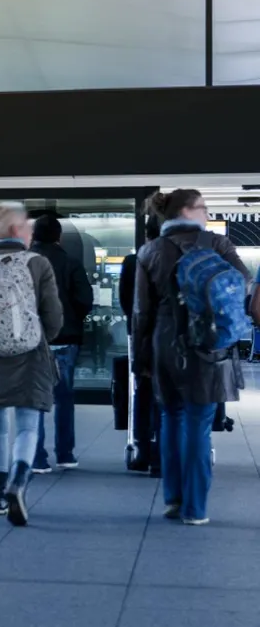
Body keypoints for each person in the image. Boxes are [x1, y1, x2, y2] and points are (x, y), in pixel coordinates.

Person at [133, 189, 247, 526]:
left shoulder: (150, 251)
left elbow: (141, 311)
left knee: (170, 418)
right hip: (208, 345)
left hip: (165, 343)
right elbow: (241, 281)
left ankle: (173, 500)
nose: (207, 213)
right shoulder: (217, 245)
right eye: (204, 207)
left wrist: (142, 358)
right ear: (187, 210)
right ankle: (195, 509)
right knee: (199, 423)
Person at [0, 203, 63, 526]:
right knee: (27, 425)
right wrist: (39, 336)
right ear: (16, 230)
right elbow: (53, 316)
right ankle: (18, 484)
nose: (31, 231)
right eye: (27, 225)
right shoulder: (37, 263)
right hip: (29, 354)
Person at [29, 213, 93, 473]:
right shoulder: (71, 263)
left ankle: (37, 457)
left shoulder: (26, 263)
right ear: (58, 236)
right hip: (65, 338)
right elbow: (84, 300)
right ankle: (65, 454)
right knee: (64, 397)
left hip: (32, 339)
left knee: (35, 398)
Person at [122, 214, 162, 476]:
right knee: (169, 399)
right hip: (174, 339)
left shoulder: (134, 261)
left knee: (143, 395)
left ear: (146, 235)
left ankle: (143, 452)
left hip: (143, 338)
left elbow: (127, 302)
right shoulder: (180, 258)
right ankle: (163, 456)